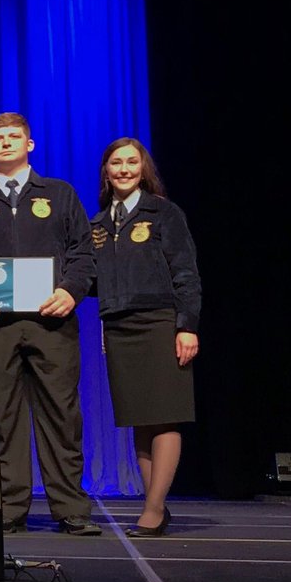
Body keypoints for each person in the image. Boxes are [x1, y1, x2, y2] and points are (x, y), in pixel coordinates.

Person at [0, 112, 99, 535]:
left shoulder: (60, 194)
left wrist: (70, 291)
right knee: (3, 418)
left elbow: (83, 255)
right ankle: (10, 508)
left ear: (30, 144)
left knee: (62, 417)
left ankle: (70, 508)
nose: (7, 143)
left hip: (53, 324)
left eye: (15, 137)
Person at [92, 137, 200, 537]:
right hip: (119, 327)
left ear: (143, 168)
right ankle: (154, 504)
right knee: (141, 419)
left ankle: (153, 509)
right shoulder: (98, 224)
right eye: (115, 163)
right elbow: (90, 280)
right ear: (106, 170)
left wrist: (187, 325)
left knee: (165, 415)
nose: (123, 169)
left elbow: (186, 273)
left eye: (131, 162)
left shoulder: (164, 213)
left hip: (160, 322)